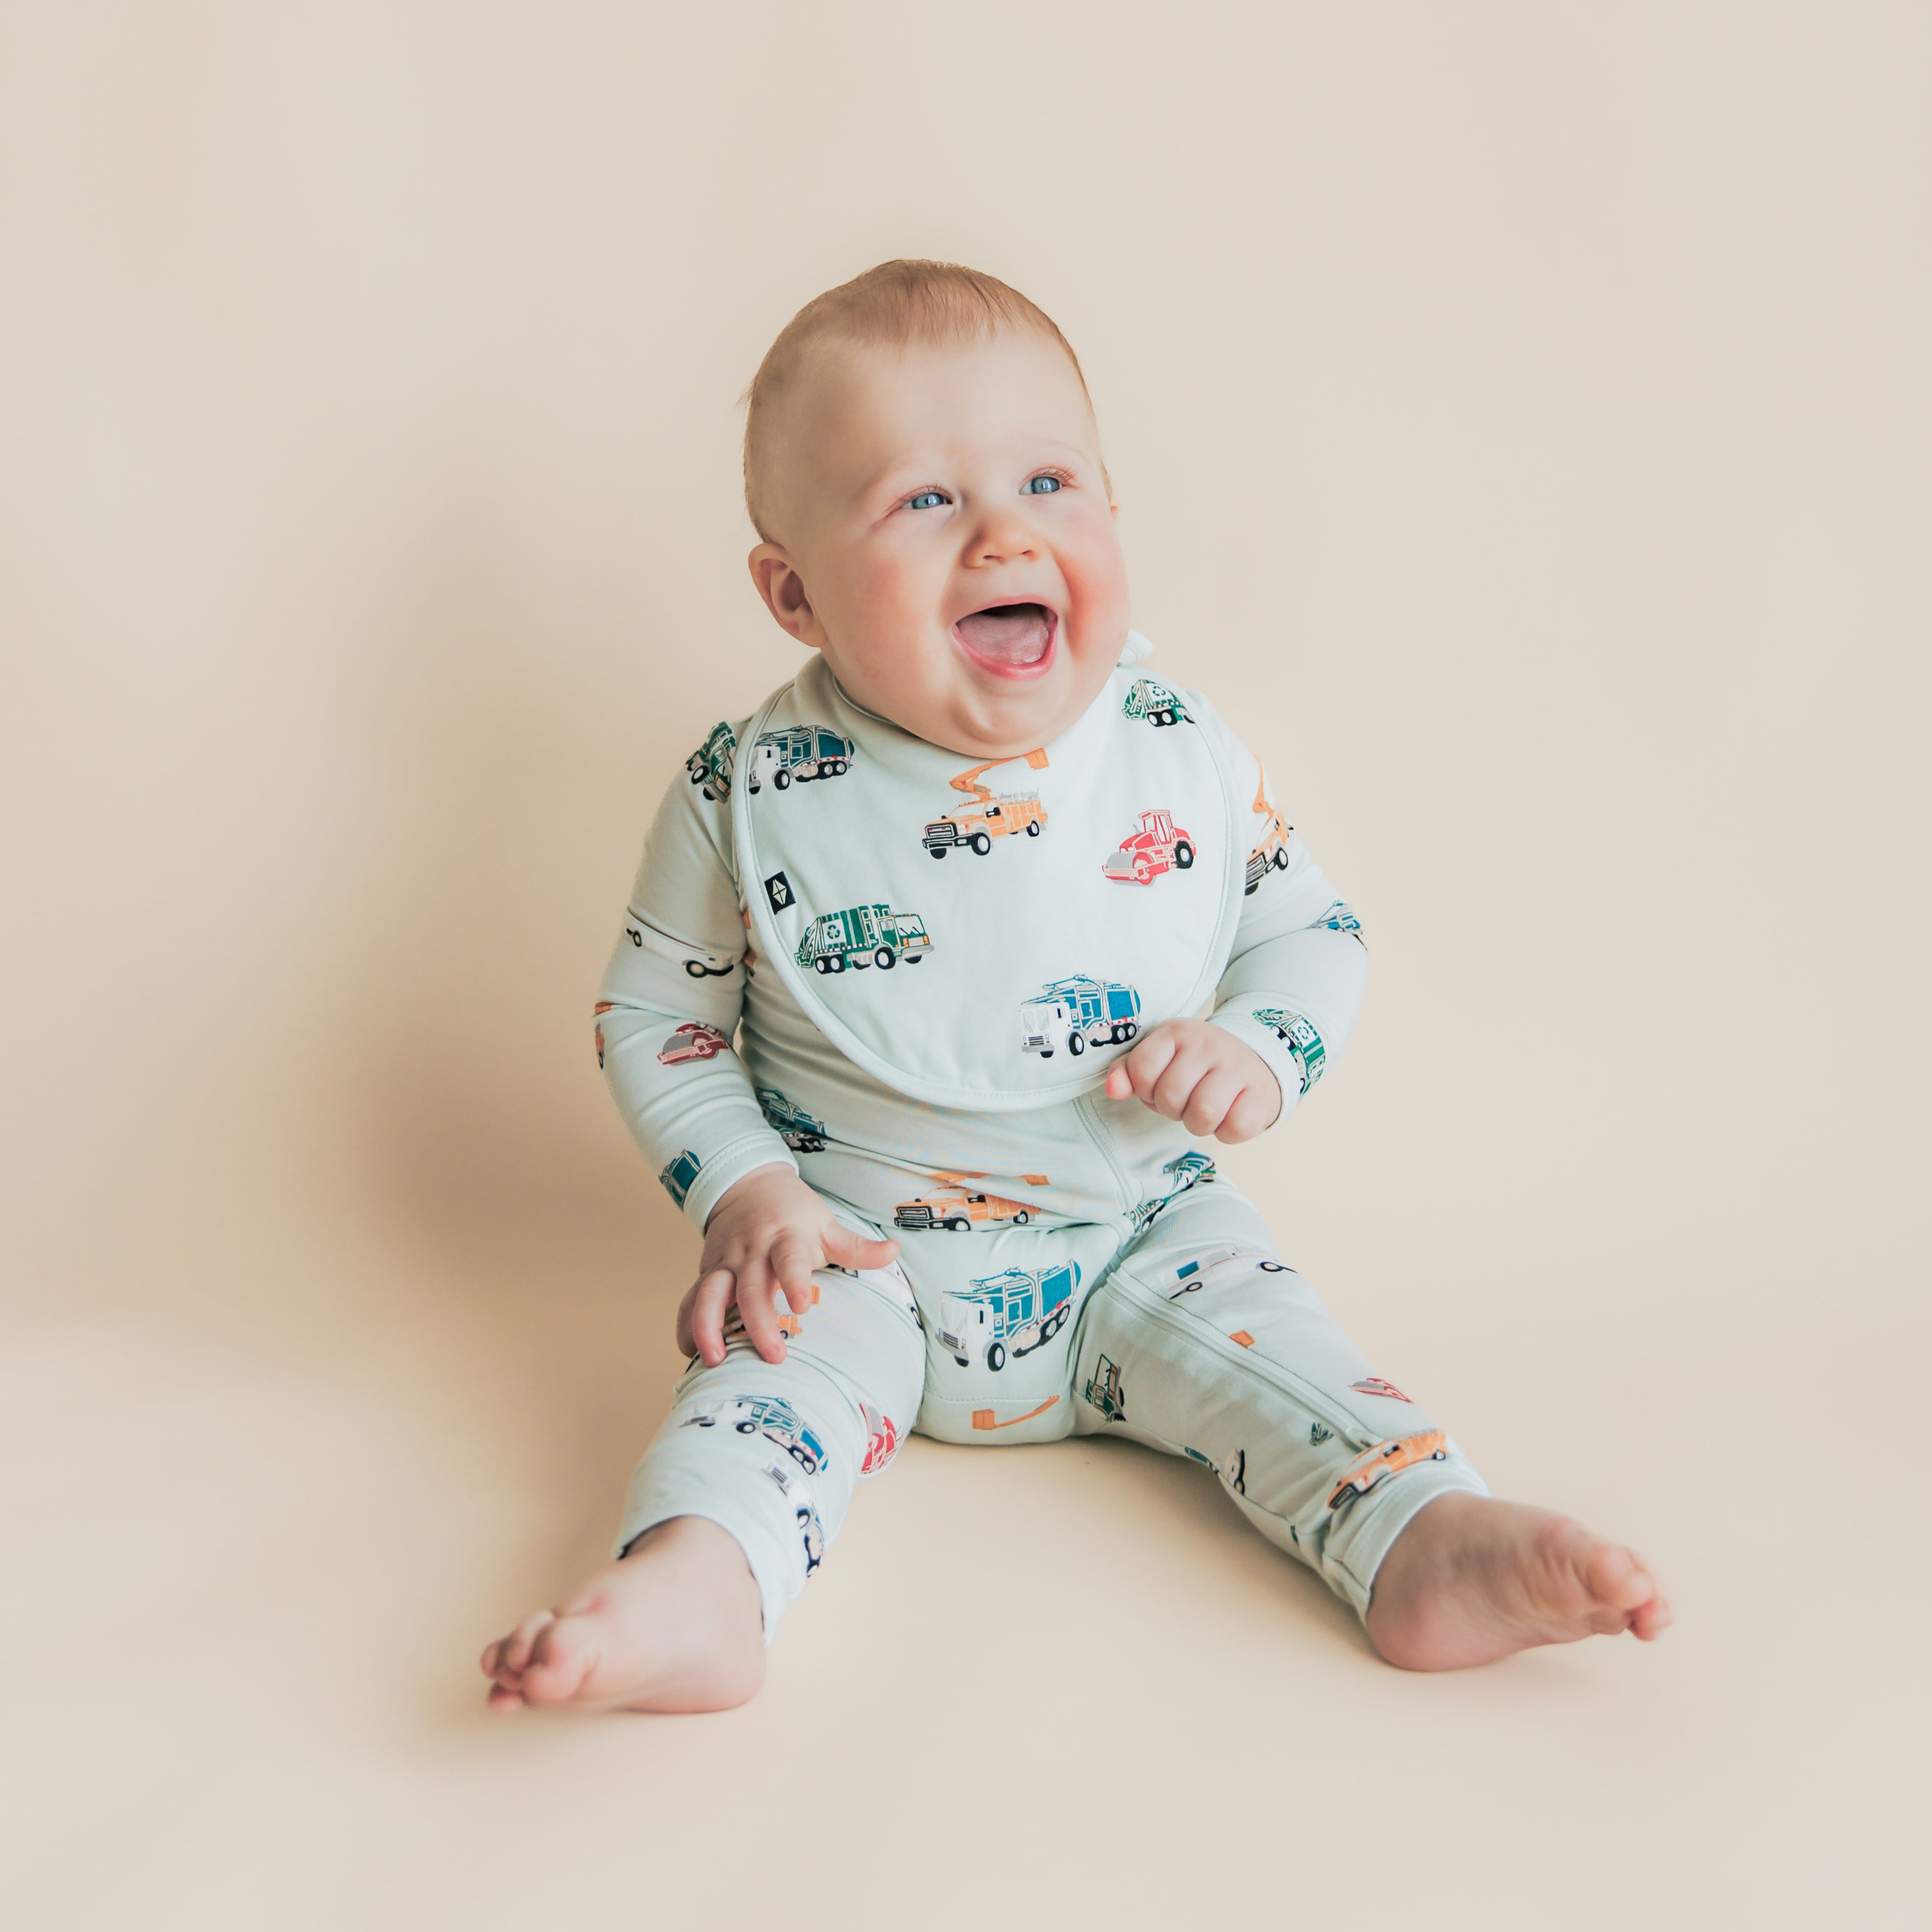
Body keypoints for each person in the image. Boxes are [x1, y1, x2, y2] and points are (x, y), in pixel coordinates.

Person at [480, 260, 1671, 1714]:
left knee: (1292, 1361)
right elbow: (655, 1022)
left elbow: (1315, 931)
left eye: (1051, 481)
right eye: (923, 500)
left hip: (1139, 1237)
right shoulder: (748, 791)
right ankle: (697, 1585)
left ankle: (1426, 1540)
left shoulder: (1173, 748)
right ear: (794, 594)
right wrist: (747, 1195)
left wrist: (1257, 1048)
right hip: (854, 1258)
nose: (1001, 531)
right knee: (754, 1397)